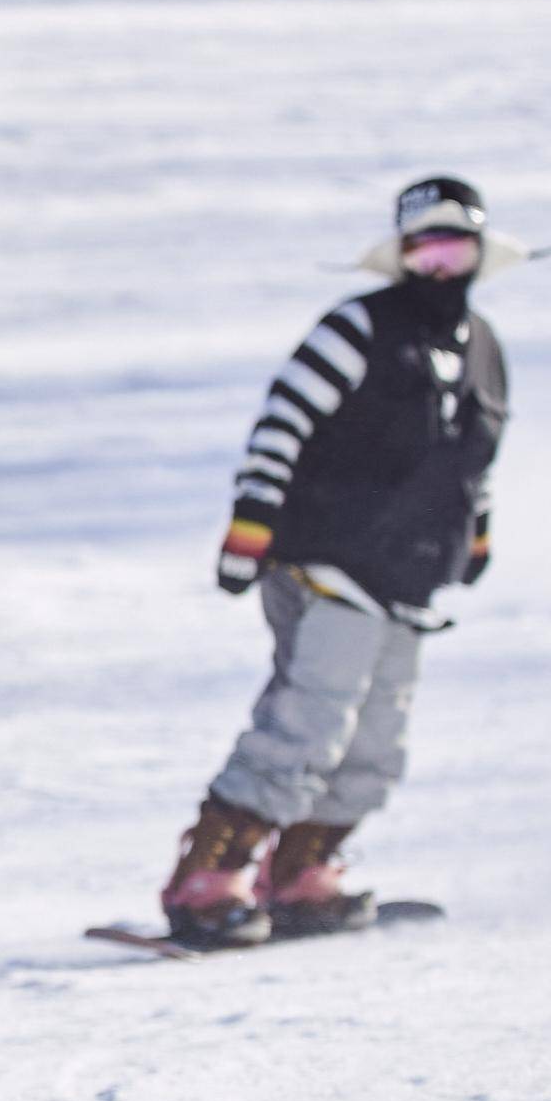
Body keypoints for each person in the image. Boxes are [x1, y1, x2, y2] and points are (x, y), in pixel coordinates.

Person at [160, 178, 517, 950]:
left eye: (457, 249)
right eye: (425, 250)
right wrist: (250, 526)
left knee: (377, 740)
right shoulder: (355, 328)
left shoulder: (485, 349)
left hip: (412, 573)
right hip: (332, 558)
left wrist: (477, 537)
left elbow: (474, 461)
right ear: (401, 257)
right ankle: (208, 879)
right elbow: (279, 425)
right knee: (309, 720)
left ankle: (301, 871)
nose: (442, 268)